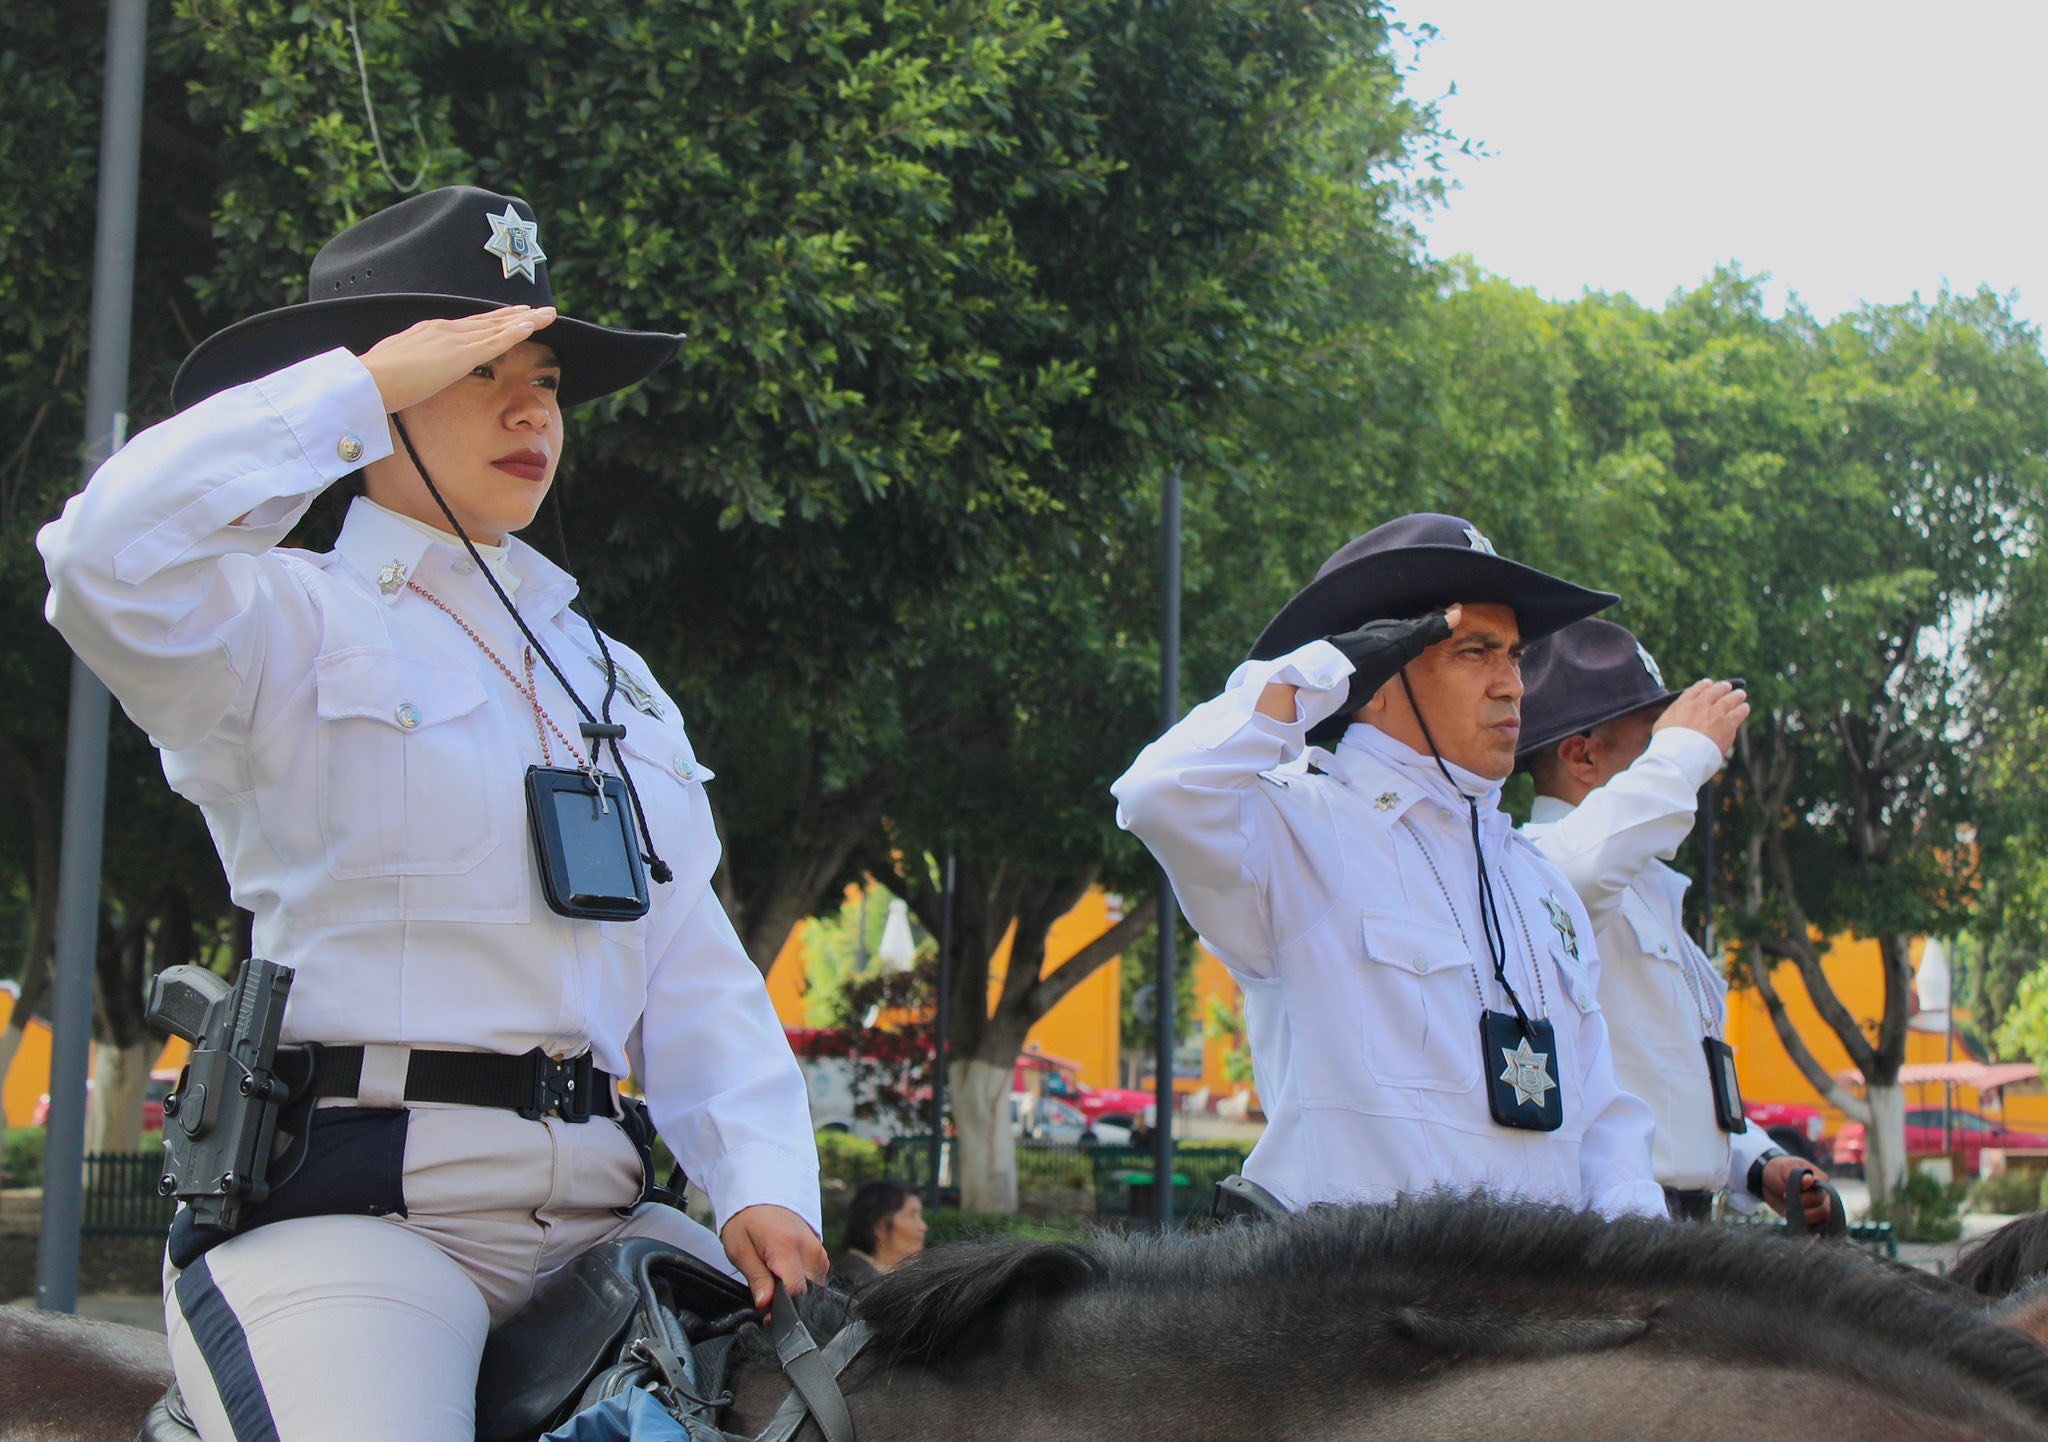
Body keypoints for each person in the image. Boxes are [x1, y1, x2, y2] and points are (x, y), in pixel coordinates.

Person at [39, 186, 827, 1442]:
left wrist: (767, 1184)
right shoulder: (274, 622)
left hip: (613, 1223)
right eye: (478, 368)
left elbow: (690, 969)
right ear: (375, 390)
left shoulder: (612, 676)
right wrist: (348, 389)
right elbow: (99, 559)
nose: (531, 407)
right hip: (362, 1224)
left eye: (548, 376)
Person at [1113, 514, 1663, 1218]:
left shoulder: (1538, 885)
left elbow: (1603, 1120)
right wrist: (1329, 670)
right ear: (1376, 680)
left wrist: (1645, 1265)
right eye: (1474, 652)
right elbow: (1158, 795)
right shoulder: (1304, 832)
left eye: (1515, 656)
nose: (1512, 687)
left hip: (1536, 1312)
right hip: (1361, 1316)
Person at [1516, 618, 1833, 1226]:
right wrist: (1683, 758)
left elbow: (1670, 1075)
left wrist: (1756, 1161)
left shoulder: (1643, 887)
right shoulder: (1541, 861)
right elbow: (1581, 871)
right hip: (1613, 1229)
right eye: (1655, 738)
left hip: (1685, 1227)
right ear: (1582, 753)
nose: (1684, 752)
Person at [829, 1180, 928, 1291]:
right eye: (911, 1216)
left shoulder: (890, 1278)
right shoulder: (852, 1282)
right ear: (880, 1225)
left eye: (920, 1217)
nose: (923, 1227)